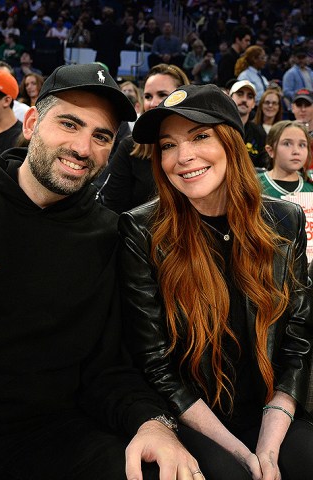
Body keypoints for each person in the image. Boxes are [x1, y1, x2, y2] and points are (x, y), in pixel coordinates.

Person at [0, 62, 202, 480]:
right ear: (33, 122)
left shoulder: (111, 237)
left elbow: (110, 368)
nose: (82, 147)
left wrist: (152, 423)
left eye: (101, 137)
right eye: (70, 124)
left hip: (53, 436)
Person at [118, 83, 313, 480]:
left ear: (232, 142)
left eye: (200, 136)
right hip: (192, 417)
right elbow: (155, 363)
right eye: (168, 145)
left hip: (271, 413)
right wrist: (241, 453)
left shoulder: (284, 221)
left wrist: (267, 447)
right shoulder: (141, 230)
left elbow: (298, 342)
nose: (182, 157)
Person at [101, 64, 189, 214]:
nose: (153, 103)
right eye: (148, 96)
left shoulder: (200, 147)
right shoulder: (130, 147)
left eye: (162, 95)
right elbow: (111, 209)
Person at [258, 120, 313, 197]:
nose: (296, 151)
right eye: (287, 144)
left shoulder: (310, 186)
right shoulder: (254, 184)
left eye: (302, 145)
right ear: (271, 151)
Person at [230, 80, 267, 168]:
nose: (244, 100)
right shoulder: (218, 128)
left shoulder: (259, 133)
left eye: (249, 97)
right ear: (230, 98)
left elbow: (263, 165)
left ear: (254, 104)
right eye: (240, 94)